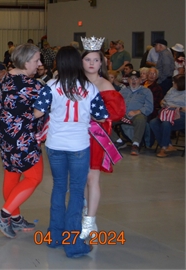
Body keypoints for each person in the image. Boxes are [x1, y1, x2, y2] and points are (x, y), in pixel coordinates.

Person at [33, 46, 109, 257]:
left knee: (58, 187)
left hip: (55, 144)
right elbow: (102, 116)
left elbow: (37, 113)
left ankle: (54, 236)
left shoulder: (51, 85)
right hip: (78, 146)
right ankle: (73, 243)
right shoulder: (90, 88)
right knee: (76, 192)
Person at [0, 44, 43, 239]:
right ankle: (4, 215)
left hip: (4, 132)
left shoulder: (6, 77)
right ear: (26, 62)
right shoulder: (31, 85)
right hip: (20, 135)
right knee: (34, 176)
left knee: (12, 173)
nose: (40, 64)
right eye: (36, 60)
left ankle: (15, 217)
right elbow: (48, 101)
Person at [80, 37, 126, 240]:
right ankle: (83, 211)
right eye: (87, 59)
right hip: (74, 135)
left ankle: (90, 221)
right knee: (79, 178)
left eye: (96, 60)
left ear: (102, 63)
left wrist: (93, 116)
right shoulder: (75, 82)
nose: (91, 63)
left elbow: (116, 112)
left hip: (95, 136)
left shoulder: (105, 84)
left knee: (92, 178)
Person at [150, 74, 185, 158]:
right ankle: (168, 144)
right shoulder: (172, 89)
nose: (172, 83)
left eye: (174, 82)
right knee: (153, 122)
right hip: (167, 113)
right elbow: (164, 100)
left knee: (166, 123)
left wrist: (177, 108)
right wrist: (162, 103)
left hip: (181, 115)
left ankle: (163, 148)